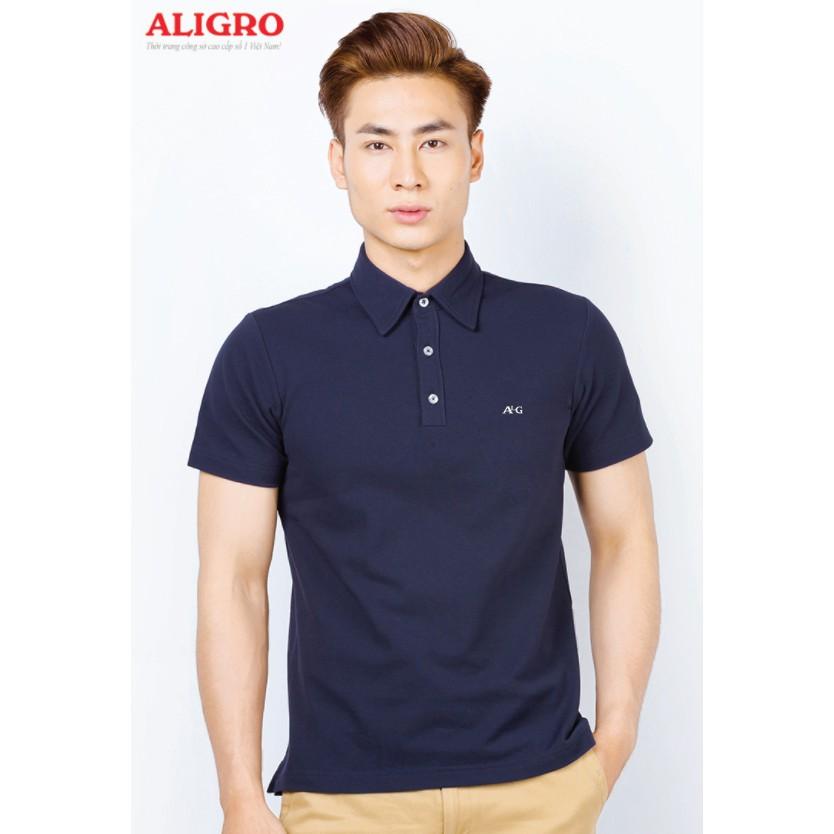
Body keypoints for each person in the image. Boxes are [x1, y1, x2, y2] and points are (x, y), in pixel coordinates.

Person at [187, 11, 660, 834]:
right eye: (376, 144)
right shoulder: (267, 351)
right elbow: (232, 580)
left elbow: (625, 539)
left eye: (433, 142)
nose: (407, 174)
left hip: (542, 789)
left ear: (474, 154)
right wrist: (238, 799)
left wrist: (612, 742)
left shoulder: (569, 333)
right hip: (344, 798)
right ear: (339, 162)